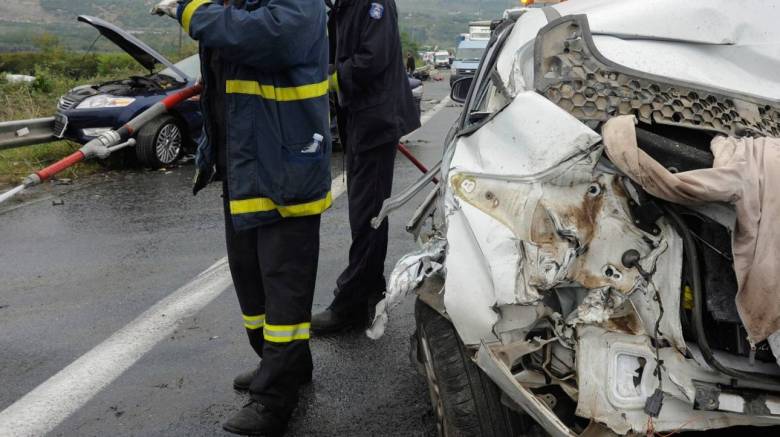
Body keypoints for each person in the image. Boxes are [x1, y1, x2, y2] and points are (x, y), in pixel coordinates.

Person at [153, 0, 331, 435]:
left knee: (283, 289)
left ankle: (274, 400)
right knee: (251, 283)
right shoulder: (235, 6)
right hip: (245, 167)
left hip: (285, 168)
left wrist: (190, 10)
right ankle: (284, 362)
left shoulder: (297, 6)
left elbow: (273, 37)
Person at [312, 0, 420, 333]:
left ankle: (350, 306)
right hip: (363, 119)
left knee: (367, 216)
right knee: (369, 214)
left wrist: (332, 78)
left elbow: (373, 58)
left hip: (375, 121)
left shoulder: (372, 3)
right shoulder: (343, 5)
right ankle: (371, 292)